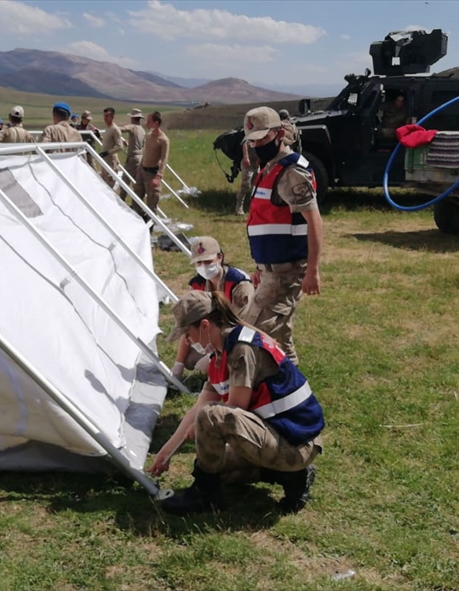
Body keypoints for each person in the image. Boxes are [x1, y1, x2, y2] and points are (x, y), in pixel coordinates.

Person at [150, 291, 324, 515]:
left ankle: (206, 497)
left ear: (205, 325)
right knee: (216, 465)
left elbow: (232, 410)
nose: (187, 341)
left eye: (187, 333)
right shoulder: (220, 355)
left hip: (297, 443)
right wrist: (166, 452)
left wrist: (200, 427)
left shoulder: (242, 349)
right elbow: (198, 408)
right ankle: (291, 475)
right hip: (282, 435)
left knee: (212, 417)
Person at [241, 106, 323, 366]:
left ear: (278, 134)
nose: (257, 145)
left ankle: (275, 389)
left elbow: (314, 222)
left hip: (286, 271)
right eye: (252, 140)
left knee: (252, 334)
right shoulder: (269, 168)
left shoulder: (291, 173)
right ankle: (291, 388)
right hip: (271, 269)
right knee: (280, 336)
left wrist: (313, 270)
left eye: (263, 138)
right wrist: (261, 267)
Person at [172, 237, 254, 379]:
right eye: (199, 262)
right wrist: (178, 365)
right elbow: (188, 324)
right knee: (190, 361)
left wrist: (214, 353)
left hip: (242, 335)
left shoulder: (239, 284)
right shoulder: (198, 284)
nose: (204, 266)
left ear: (219, 258)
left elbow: (243, 324)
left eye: (208, 261)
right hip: (215, 334)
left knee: (224, 361)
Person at [132, 110, 168, 221]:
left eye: (149, 122)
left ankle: (151, 225)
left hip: (152, 174)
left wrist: (158, 177)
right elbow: (145, 153)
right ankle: (141, 219)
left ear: (156, 124)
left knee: (152, 202)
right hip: (142, 171)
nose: (147, 124)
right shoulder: (148, 136)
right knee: (136, 198)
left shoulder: (163, 140)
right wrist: (139, 168)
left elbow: (163, 160)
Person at [118, 108, 146, 202]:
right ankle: (137, 203)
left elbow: (122, 129)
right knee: (137, 181)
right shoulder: (142, 130)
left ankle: (121, 200)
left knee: (125, 179)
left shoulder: (133, 127)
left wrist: (112, 128)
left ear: (133, 118)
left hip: (133, 158)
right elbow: (141, 144)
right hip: (140, 157)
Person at [98, 107, 126, 190]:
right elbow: (108, 142)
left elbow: (120, 146)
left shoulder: (115, 129)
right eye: (104, 116)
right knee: (104, 185)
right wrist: (99, 137)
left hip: (111, 162)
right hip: (105, 161)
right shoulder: (108, 128)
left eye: (107, 116)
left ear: (112, 117)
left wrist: (108, 152)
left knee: (109, 187)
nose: (105, 118)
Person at [235, 142, 258, 216]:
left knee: (255, 186)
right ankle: (239, 206)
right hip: (248, 163)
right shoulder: (250, 133)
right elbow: (245, 143)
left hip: (256, 163)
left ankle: (253, 206)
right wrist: (246, 156)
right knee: (246, 185)